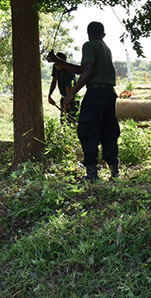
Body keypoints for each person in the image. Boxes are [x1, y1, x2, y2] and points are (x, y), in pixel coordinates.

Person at [47, 21, 120, 182]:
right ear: (103, 34)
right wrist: (59, 61)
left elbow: (86, 72)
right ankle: (114, 170)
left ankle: (92, 173)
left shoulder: (89, 45)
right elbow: (81, 69)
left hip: (95, 94)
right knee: (108, 130)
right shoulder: (105, 48)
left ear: (89, 33)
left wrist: (71, 94)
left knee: (87, 130)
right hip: (109, 94)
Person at [48, 52, 78, 124]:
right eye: (56, 64)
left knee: (72, 121)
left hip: (72, 99)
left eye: (59, 64)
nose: (57, 66)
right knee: (63, 121)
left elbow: (69, 89)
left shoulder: (69, 72)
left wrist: (67, 102)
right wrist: (49, 96)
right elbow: (54, 81)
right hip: (64, 98)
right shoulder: (55, 68)